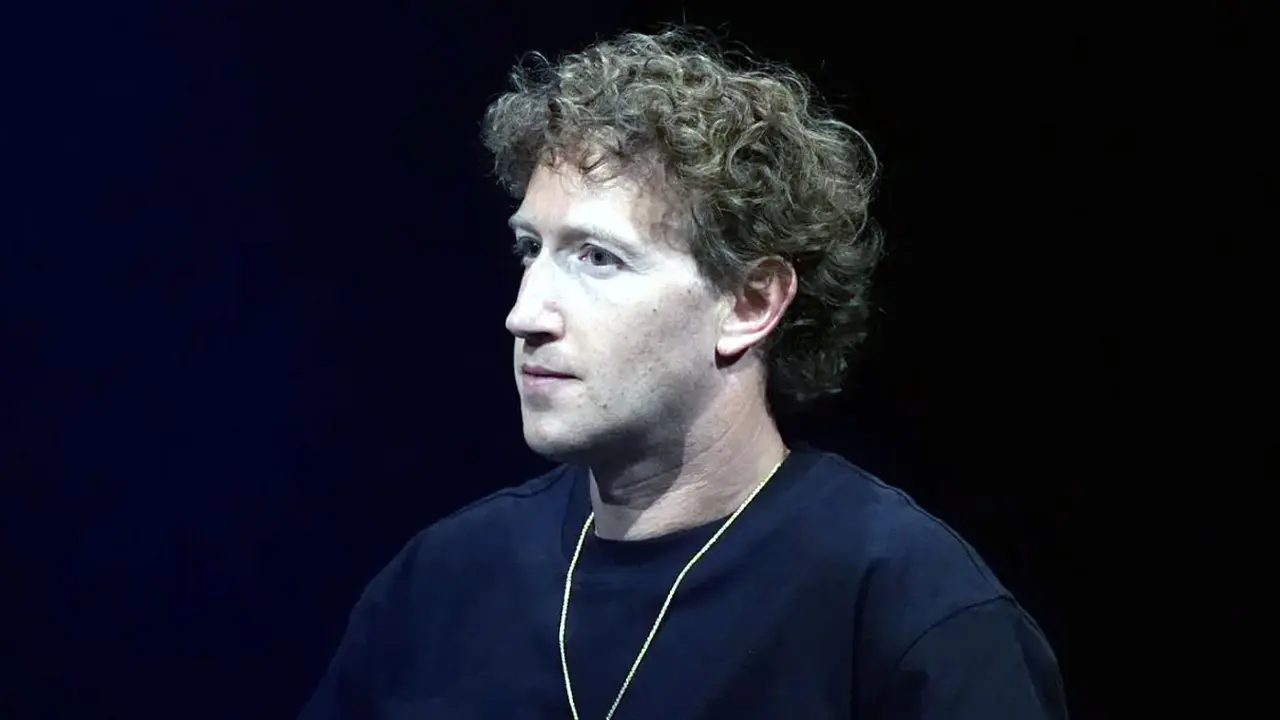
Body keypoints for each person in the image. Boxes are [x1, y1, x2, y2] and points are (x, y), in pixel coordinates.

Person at [299, 27, 1067, 719]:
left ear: (750, 302)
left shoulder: (909, 613)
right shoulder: (437, 587)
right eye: (531, 250)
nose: (525, 314)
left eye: (597, 257)